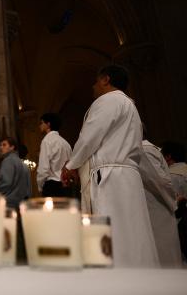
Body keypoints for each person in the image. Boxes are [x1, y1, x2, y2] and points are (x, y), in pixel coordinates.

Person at [61, 64, 158, 267]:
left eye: (96, 81)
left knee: (113, 232)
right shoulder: (131, 106)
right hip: (129, 176)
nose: (94, 86)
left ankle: (117, 281)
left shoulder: (107, 100)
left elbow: (89, 137)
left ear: (106, 79)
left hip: (110, 177)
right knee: (133, 232)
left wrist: (71, 165)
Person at [139, 134, 182, 267]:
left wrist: (173, 200)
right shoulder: (145, 149)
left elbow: (160, 181)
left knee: (164, 254)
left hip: (157, 207)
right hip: (157, 205)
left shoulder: (143, 150)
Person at [37, 113, 72, 197]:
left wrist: (40, 186)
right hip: (66, 186)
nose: (39, 126)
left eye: (41, 123)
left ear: (48, 124)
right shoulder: (65, 143)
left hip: (52, 186)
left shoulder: (47, 141)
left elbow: (43, 169)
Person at [0, 137, 30, 209]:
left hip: (9, 203)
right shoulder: (20, 162)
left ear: (12, 147)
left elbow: (6, 183)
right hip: (21, 202)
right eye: (0, 145)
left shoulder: (8, 160)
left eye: (4, 145)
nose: (1, 147)